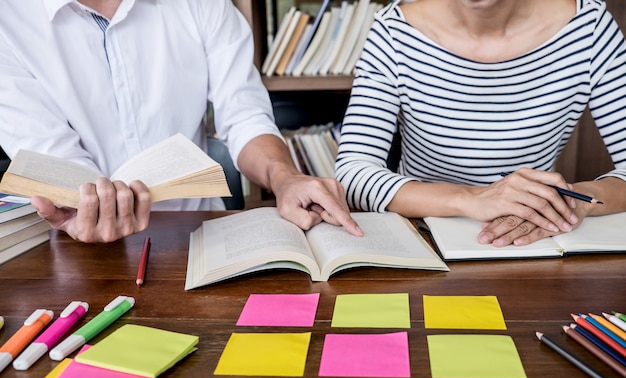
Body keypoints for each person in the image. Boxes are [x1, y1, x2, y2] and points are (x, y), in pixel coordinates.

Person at [0, 0, 362, 243]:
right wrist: (89, 207)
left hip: (203, 240)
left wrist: (285, 177)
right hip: (74, 249)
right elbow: (57, 165)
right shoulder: (8, 22)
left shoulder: (203, 4)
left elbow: (244, 116)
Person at [336, 0, 626, 247]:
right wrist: (470, 199)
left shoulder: (590, 28)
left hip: (532, 239)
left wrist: (574, 203)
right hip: (421, 234)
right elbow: (353, 172)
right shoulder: (393, 30)